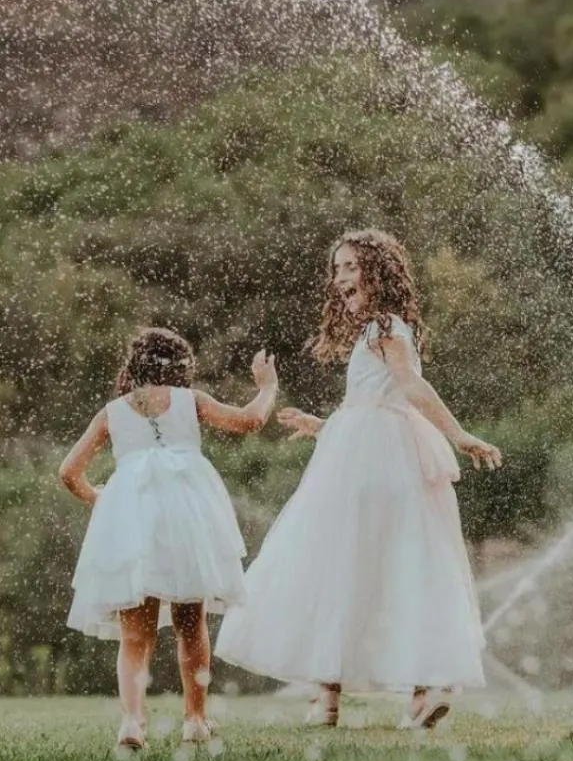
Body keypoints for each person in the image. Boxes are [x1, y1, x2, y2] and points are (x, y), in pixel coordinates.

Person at [214, 229, 501, 729]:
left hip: (373, 457)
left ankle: (339, 697)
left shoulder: (386, 326)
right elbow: (378, 401)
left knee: (342, 563)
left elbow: (410, 386)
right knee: (392, 564)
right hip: (375, 450)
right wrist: (325, 426)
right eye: (337, 269)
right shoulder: (380, 330)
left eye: (351, 267)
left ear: (378, 273)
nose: (340, 278)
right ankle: (401, 693)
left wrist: (458, 434)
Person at [60, 326, 277, 749]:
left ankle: (132, 723)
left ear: (134, 366)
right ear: (181, 365)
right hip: (186, 522)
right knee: (190, 625)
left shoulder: (113, 412)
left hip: (134, 523)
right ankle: (195, 720)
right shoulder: (190, 400)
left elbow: (69, 471)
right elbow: (250, 420)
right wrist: (267, 387)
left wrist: (99, 498)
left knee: (135, 635)